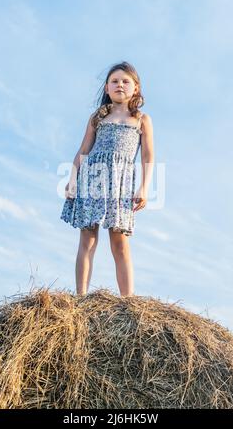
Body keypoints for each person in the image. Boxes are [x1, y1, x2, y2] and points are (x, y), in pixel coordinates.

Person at [60, 61, 154, 296]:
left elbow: (148, 155)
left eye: (125, 81)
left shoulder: (142, 119)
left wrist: (144, 187)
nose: (120, 85)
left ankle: (127, 301)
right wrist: (72, 179)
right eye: (114, 81)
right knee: (88, 238)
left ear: (136, 88)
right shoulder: (97, 117)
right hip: (92, 177)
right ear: (106, 88)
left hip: (121, 183)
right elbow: (83, 150)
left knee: (119, 242)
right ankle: (80, 297)